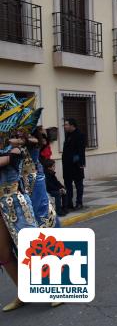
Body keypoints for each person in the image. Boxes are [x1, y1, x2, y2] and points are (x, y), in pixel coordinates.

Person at [0, 93, 41, 312]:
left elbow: (12, 157)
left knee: (31, 245)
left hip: (15, 201)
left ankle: (56, 287)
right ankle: (23, 292)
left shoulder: (15, 146)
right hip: (0, 206)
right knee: (3, 254)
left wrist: (19, 139)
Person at [62, 118, 86, 211]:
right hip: (67, 165)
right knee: (67, 185)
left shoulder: (80, 135)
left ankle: (79, 203)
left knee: (78, 184)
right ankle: (69, 203)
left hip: (76, 165)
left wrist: (81, 163)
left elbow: (81, 151)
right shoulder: (68, 134)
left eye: (66, 124)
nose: (65, 126)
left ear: (72, 125)